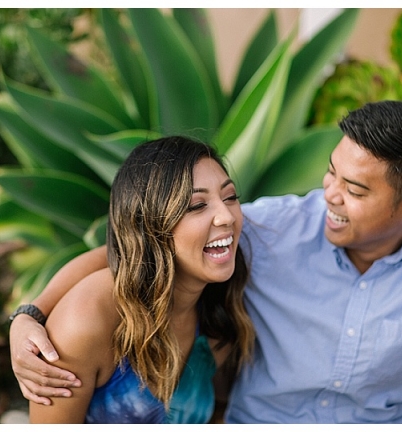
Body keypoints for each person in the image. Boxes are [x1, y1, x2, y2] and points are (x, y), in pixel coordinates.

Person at [9, 100, 402, 423]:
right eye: (331, 171)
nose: (330, 193)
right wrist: (29, 316)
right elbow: (127, 249)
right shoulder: (277, 227)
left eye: (355, 190)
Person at [17, 135, 255, 423]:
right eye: (196, 205)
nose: (226, 216)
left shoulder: (218, 310)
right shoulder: (87, 321)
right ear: (150, 226)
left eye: (230, 197)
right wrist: (28, 314)